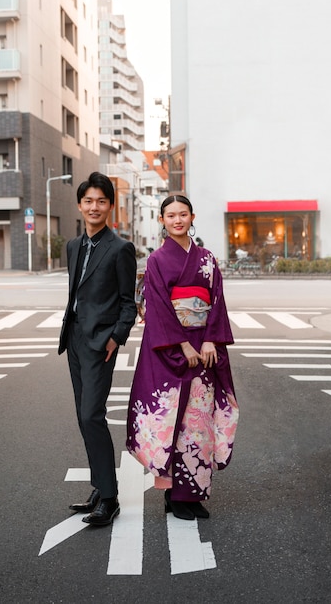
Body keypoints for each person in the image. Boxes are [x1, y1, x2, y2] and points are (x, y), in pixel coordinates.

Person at [126, 194, 239, 520]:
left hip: (204, 348)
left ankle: (194, 495)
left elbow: (216, 301)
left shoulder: (206, 259)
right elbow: (159, 306)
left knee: (198, 423)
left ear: (192, 217)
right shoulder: (158, 261)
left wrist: (209, 342)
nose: (177, 220)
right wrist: (183, 346)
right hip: (169, 352)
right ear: (162, 220)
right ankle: (173, 497)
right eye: (171, 215)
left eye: (183, 214)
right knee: (170, 420)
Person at [58, 172, 137, 526]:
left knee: (92, 415)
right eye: (88, 201)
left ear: (110, 206)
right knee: (82, 417)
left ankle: (110, 498)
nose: (94, 206)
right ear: (80, 205)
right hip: (74, 337)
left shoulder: (120, 249)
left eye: (101, 201)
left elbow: (128, 304)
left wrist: (115, 337)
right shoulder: (74, 246)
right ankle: (99, 485)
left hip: (100, 342)